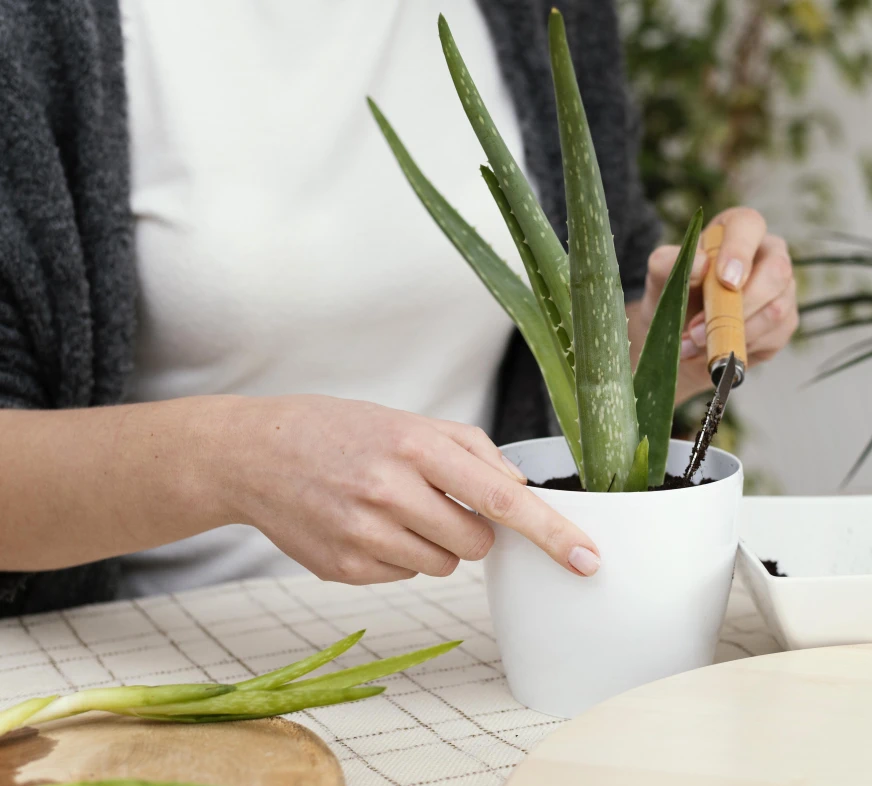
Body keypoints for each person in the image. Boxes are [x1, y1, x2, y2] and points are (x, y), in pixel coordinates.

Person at [0, 0, 799, 616]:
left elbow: (584, 336)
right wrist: (233, 460)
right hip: (152, 664)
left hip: (482, 638)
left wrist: (672, 335)